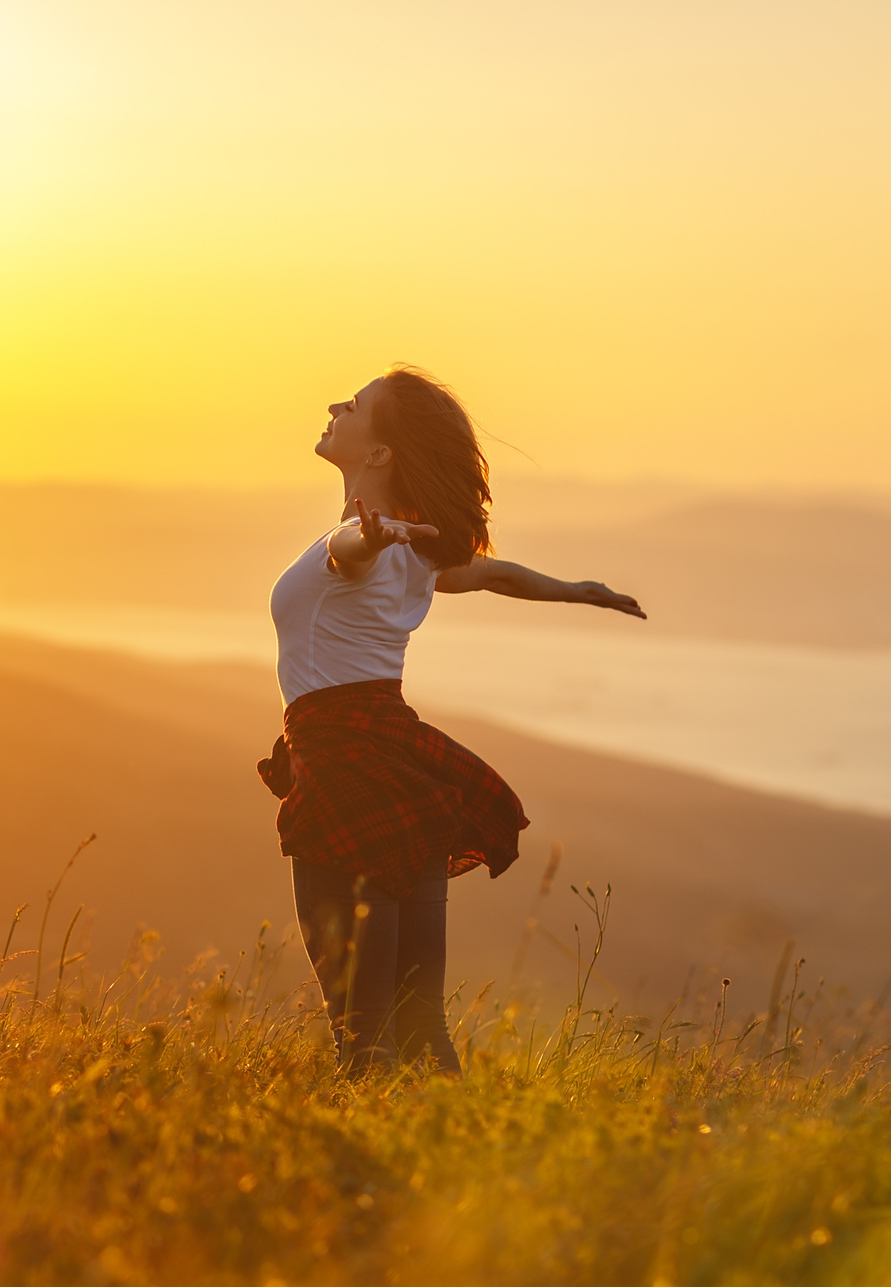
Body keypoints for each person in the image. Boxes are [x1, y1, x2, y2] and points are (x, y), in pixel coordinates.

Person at [260, 366, 643, 1074]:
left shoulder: (363, 544)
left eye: (354, 405)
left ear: (380, 453)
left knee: (362, 1034)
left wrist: (369, 536)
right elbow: (494, 574)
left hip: (343, 770)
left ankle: (378, 1141)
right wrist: (576, 590)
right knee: (418, 1022)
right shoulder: (411, 552)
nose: (335, 405)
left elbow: (350, 554)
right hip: (400, 768)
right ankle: (447, 1128)